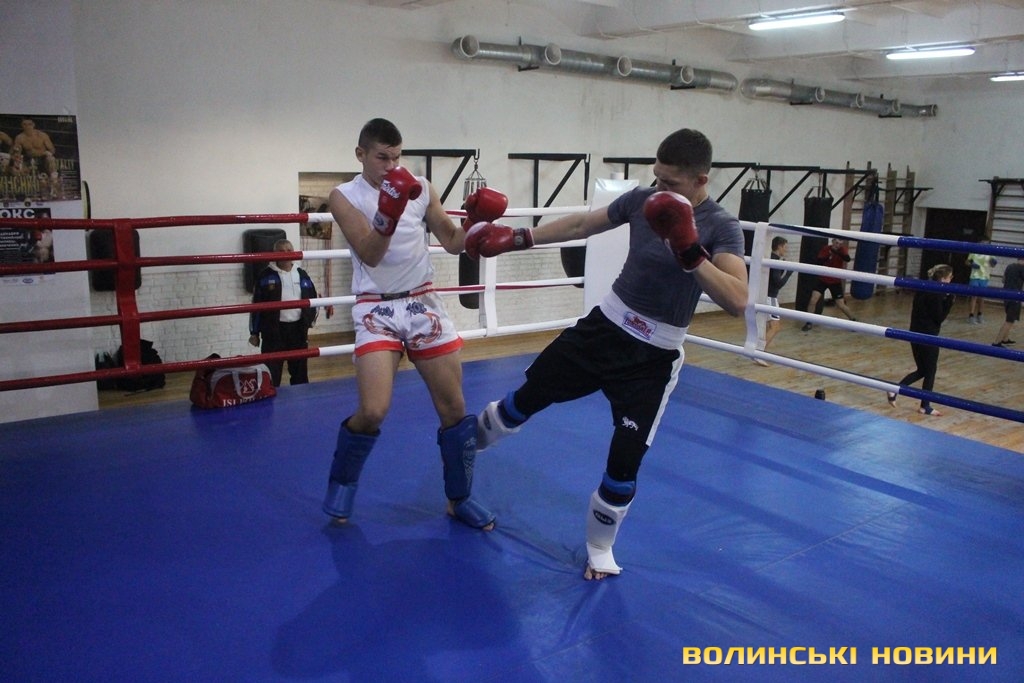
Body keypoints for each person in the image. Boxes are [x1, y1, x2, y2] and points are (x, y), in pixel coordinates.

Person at [464, 128, 747, 580]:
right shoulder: (641, 200)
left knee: (624, 462)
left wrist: (691, 253)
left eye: (670, 183)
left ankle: (599, 547)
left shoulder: (721, 226)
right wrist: (519, 238)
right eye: (656, 177)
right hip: (605, 329)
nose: (659, 189)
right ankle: (464, 449)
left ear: (701, 180)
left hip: (654, 357)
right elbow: (582, 225)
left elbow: (737, 300)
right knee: (525, 400)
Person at [321, 117, 503, 531]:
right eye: (382, 157)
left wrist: (476, 222)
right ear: (361, 154)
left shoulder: (422, 188)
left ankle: (460, 498)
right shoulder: (343, 196)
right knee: (373, 410)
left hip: (422, 303)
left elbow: (453, 242)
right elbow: (370, 254)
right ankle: (342, 481)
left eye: (397, 158)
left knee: (454, 408)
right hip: (376, 308)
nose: (391, 166)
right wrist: (390, 208)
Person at [248, 239, 319, 386]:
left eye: (289, 250)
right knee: (272, 372)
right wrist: (254, 333)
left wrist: (310, 320)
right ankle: (271, 398)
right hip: (273, 330)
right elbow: (256, 306)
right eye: (281, 251)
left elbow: (313, 298)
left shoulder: (302, 274)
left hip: (297, 329)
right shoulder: (265, 276)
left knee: (300, 371)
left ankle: (301, 398)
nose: (286, 253)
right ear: (274, 254)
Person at [887, 264, 954, 416]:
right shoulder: (936, 293)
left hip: (915, 332)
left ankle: (895, 389)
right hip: (928, 335)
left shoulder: (923, 287)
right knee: (930, 370)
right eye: (950, 277)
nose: (951, 280)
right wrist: (949, 300)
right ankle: (925, 406)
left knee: (923, 370)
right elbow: (939, 318)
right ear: (944, 278)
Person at [754, 235, 793, 366]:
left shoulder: (770, 258)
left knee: (768, 326)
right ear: (779, 246)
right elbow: (778, 283)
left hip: (764, 295)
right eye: (785, 247)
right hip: (770, 298)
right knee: (775, 327)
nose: (786, 250)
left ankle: (759, 351)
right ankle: (759, 353)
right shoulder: (774, 261)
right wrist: (788, 273)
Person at [801, 238, 857, 331]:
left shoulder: (842, 250)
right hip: (823, 279)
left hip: (835, 281)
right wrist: (829, 254)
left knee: (841, 305)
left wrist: (837, 252)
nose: (838, 245)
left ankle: (854, 321)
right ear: (833, 241)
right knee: (813, 300)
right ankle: (809, 322)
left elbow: (847, 259)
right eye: (836, 243)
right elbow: (819, 262)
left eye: (840, 244)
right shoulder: (826, 249)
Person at [12, 118, 60, 196]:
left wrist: (46, 153)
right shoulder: (20, 138)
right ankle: (22, 192)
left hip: (43, 158)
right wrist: (18, 160)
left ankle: (54, 184)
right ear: (22, 126)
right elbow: (17, 153)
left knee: (51, 158)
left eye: (29, 124)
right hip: (29, 159)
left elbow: (52, 150)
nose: (27, 126)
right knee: (17, 164)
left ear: (33, 125)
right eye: (25, 124)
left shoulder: (42, 135)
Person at [992, 256, 1024, 347]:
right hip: (1015, 297)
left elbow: (1003, 280)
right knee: (1009, 321)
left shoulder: (1009, 266)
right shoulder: (1022, 269)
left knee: (1010, 318)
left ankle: (1005, 339)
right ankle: (997, 342)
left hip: (1006, 295)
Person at [966, 246, 997, 324]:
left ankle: (980, 314)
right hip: (974, 276)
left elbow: (993, 265)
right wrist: (971, 264)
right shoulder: (974, 251)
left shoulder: (990, 252)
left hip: (985, 277)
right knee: (974, 296)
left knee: (981, 297)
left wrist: (993, 262)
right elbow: (967, 261)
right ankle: (971, 315)